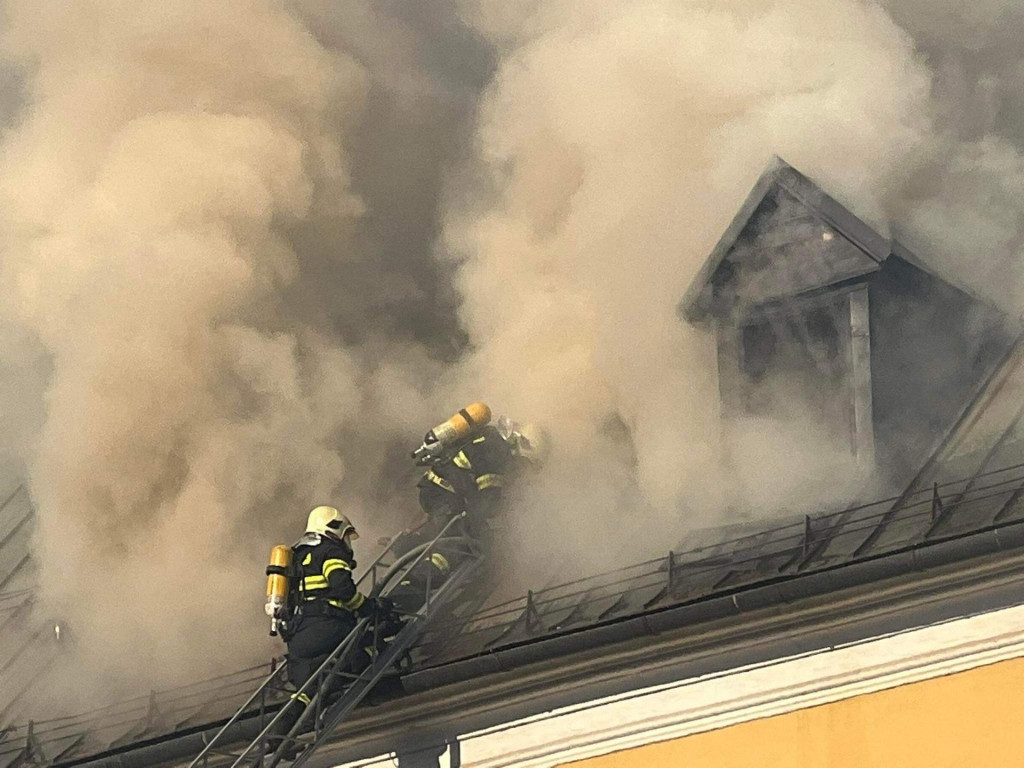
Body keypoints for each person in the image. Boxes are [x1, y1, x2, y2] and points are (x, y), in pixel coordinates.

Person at [267, 506, 387, 756]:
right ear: (333, 528)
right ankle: (366, 684)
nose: (346, 542)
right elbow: (342, 589)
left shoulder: (297, 555)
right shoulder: (330, 551)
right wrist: (368, 607)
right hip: (327, 627)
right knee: (372, 644)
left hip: (298, 635)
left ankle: (278, 738)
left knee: (307, 691)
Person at [394, 416, 548, 591]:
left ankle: (408, 547)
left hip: (440, 492)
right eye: (525, 463)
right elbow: (487, 502)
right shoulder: (497, 454)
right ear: (524, 447)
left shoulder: (491, 441)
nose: (521, 469)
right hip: (442, 495)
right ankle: (411, 586)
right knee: (453, 547)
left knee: (460, 534)